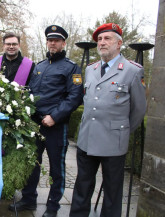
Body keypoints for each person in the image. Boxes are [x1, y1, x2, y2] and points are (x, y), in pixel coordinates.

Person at [69, 23, 146, 217]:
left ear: (119, 43)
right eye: (100, 40)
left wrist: (121, 130)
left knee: (112, 192)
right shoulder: (91, 69)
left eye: (107, 39)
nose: (102, 43)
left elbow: (138, 110)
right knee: (82, 187)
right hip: (87, 139)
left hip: (113, 141)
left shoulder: (132, 71)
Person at [9, 25, 83, 217]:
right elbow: (30, 92)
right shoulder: (39, 66)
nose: (52, 43)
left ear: (63, 43)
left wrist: (55, 117)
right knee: (32, 163)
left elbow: (74, 97)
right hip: (34, 125)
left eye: (56, 40)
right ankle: (28, 199)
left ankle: (52, 207)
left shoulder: (72, 68)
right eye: (50, 40)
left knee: (56, 168)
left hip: (55, 126)